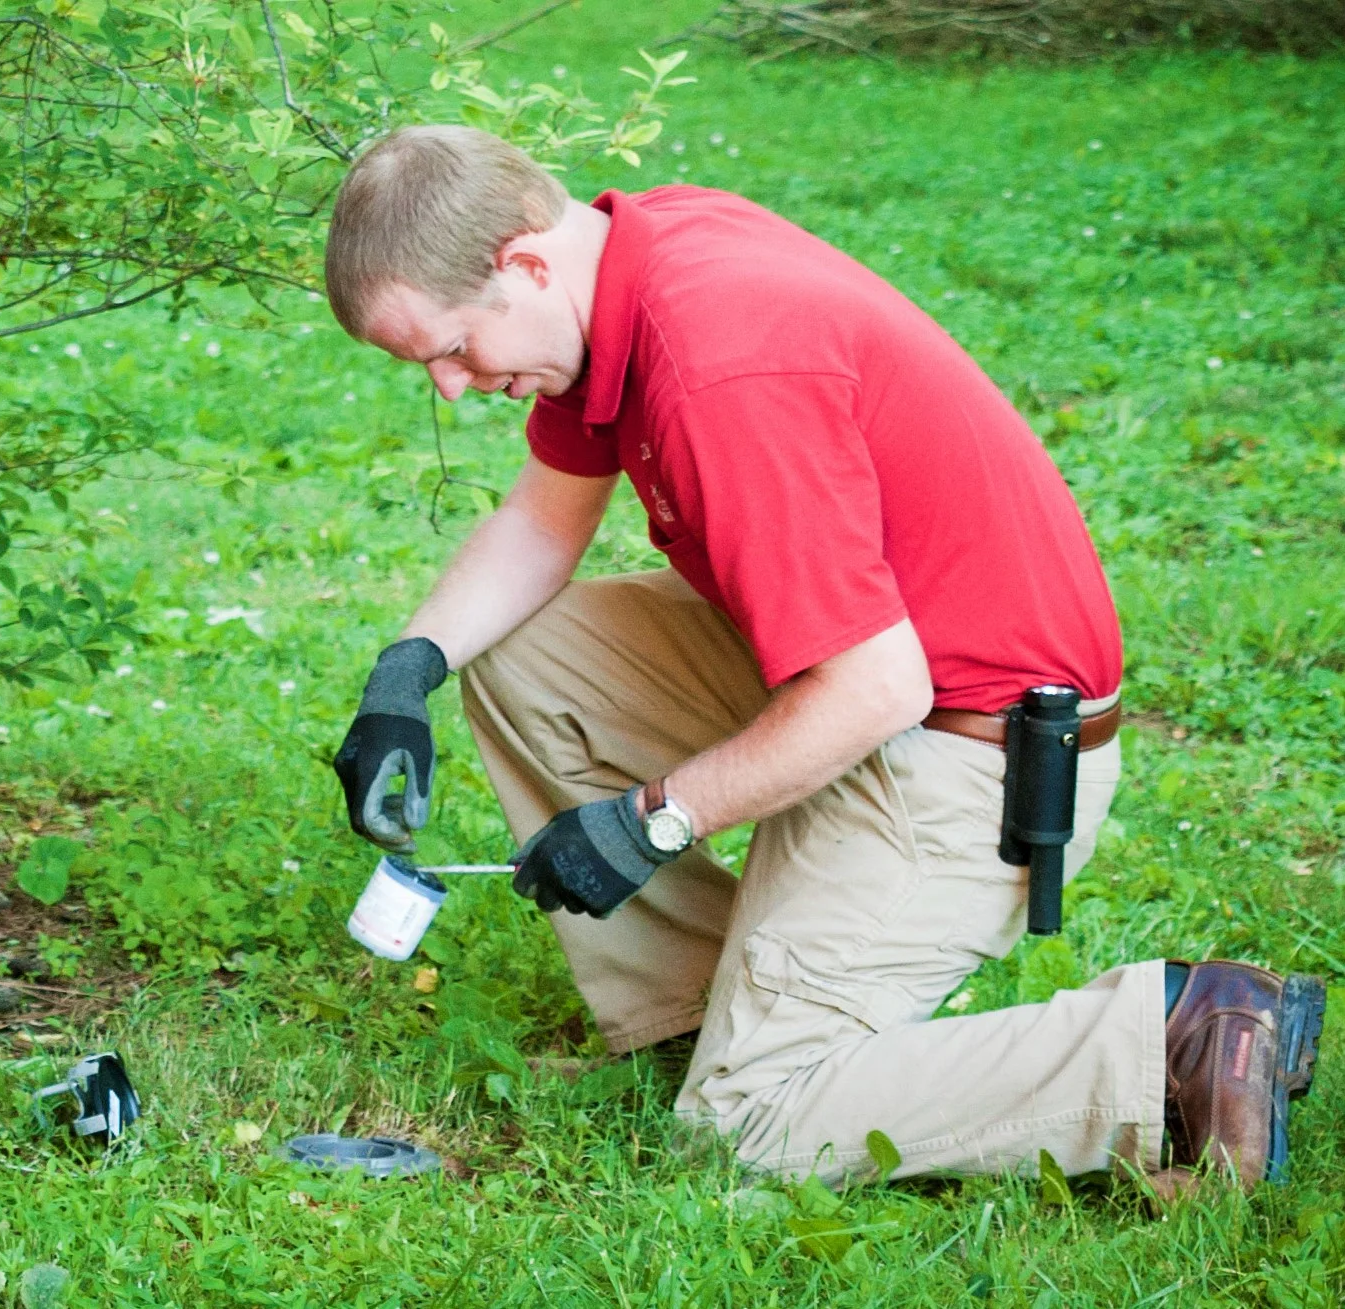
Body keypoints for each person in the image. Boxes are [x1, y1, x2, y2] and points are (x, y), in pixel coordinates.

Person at [323, 125, 1323, 1191]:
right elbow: (545, 518)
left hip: (962, 754)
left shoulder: (717, 364)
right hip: (874, 678)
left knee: (751, 1128)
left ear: (522, 262)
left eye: (449, 347)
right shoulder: (623, 261)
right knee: (529, 656)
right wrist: (405, 672)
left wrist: (648, 818)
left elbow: (874, 690)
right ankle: (705, 1018)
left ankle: (1172, 1037)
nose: (448, 386)